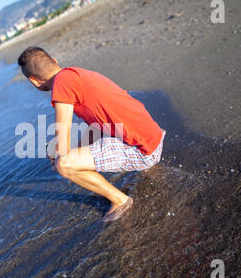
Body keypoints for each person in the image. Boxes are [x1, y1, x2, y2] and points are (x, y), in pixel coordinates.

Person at [18, 46, 165, 222]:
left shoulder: (62, 85)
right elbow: (96, 126)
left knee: (64, 164)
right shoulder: (76, 74)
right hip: (153, 136)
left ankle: (120, 200)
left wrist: (55, 151)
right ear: (55, 62)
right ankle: (145, 167)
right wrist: (75, 149)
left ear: (34, 81)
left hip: (143, 151)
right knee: (73, 153)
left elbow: (62, 143)